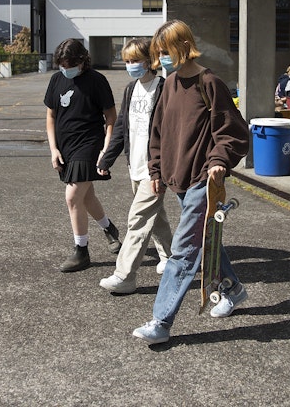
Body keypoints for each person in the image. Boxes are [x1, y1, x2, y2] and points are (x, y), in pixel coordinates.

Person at [132, 20, 250, 345]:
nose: (161, 60)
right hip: (179, 181)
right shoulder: (169, 84)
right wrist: (156, 172)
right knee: (206, 242)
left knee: (183, 251)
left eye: (165, 52)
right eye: (159, 54)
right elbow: (158, 133)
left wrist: (218, 162)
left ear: (183, 47)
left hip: (203, 181)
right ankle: (235, 290)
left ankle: (160, 321)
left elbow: (234, 132)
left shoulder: (209, 82)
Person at [96, 38, 173, 293]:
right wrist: (108, 158)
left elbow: (169, 132)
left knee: (138, 219)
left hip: (155, 168)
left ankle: (125, 276)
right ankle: (172, 258)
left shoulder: (163, 88)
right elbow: (121, 128)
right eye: (127, 61)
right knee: (155, 216)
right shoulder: (131, 89)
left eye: (135, 60)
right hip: (135, 166)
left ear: (150, 60)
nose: (130, 66)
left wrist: (160, 169)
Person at [44, 38, 122, 273]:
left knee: (72, 197)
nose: (65, 69)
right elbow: (50, 117)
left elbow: (111, 118)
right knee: (86, 197)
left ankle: (81, 251)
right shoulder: (56, 79)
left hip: (89, 145)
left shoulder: (97, 81)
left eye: (68, 64)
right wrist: (53, 149)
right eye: (61, 64)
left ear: (81, 61)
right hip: (65, 146)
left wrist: (105, 150)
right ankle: (109, 229)